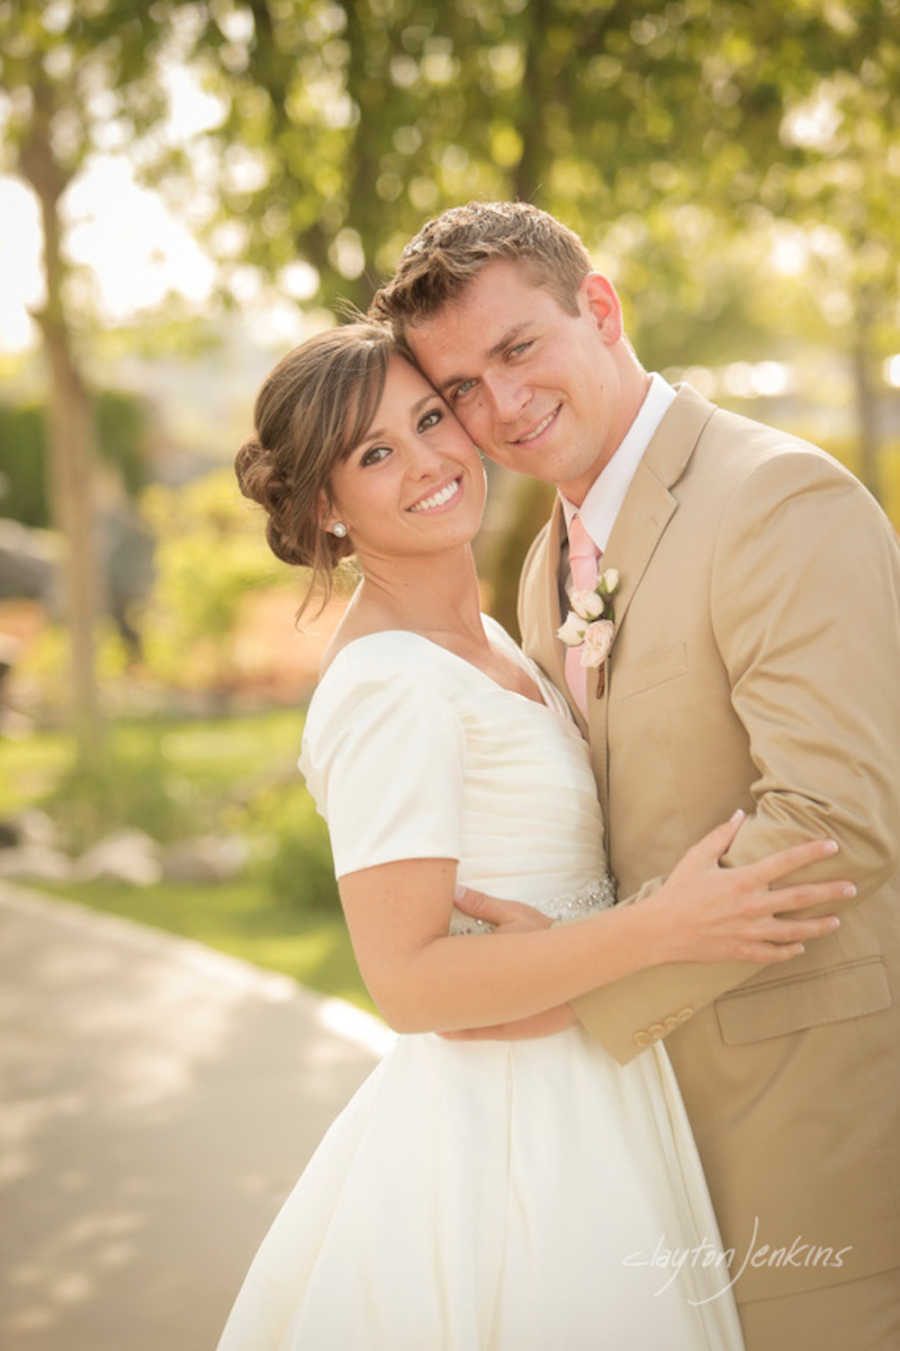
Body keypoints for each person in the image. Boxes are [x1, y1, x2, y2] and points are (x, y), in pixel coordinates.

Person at [216, 322, 852, 1350]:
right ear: (327, 509)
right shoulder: (388, 685)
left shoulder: (491, 637)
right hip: (512, 1135)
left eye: (430, 418)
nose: (427, 460)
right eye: (376, 453)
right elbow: (409, 982)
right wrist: (662, 930)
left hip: (596, 1081)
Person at [370, 200, 900, 1350]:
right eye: (458, 388)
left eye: (517, 349)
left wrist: (569, 995)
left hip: (803, 1130)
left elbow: (835, 825)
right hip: (633, 1147)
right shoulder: (544, 563)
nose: (498, 406)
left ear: (599, 309)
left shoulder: (777, 499)